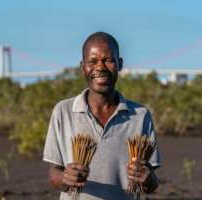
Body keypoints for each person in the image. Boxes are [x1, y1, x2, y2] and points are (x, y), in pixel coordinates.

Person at [43, 32, 161, 200]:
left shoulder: (140, 115)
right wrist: (65, 178)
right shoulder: (63, 111)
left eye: (107, 60)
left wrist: (148, 179)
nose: (100, 67)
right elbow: (54, 174)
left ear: (119, 64)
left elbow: (152, 184)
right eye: (92, 61)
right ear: (83, 66)